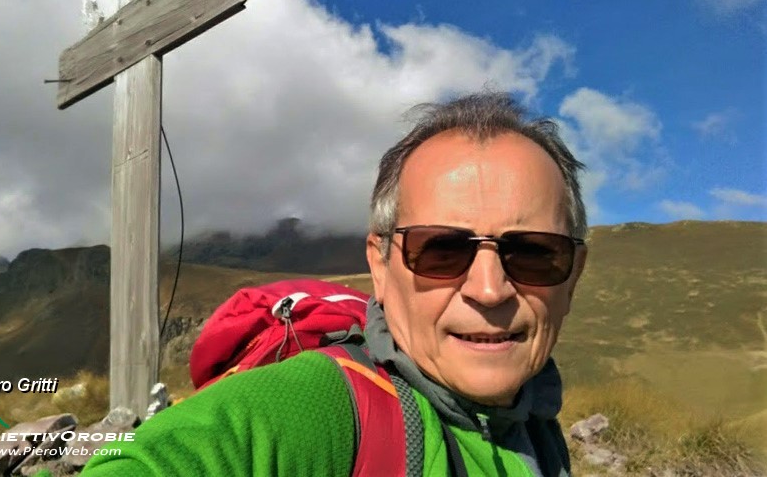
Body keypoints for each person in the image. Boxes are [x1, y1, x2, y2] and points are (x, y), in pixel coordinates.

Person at [81, 91, 588, 476]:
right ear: (381, 267)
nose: (489, 289)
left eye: (533, 253)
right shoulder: (322, 406)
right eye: (441, 250)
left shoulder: (536, 417)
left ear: (573, 276)